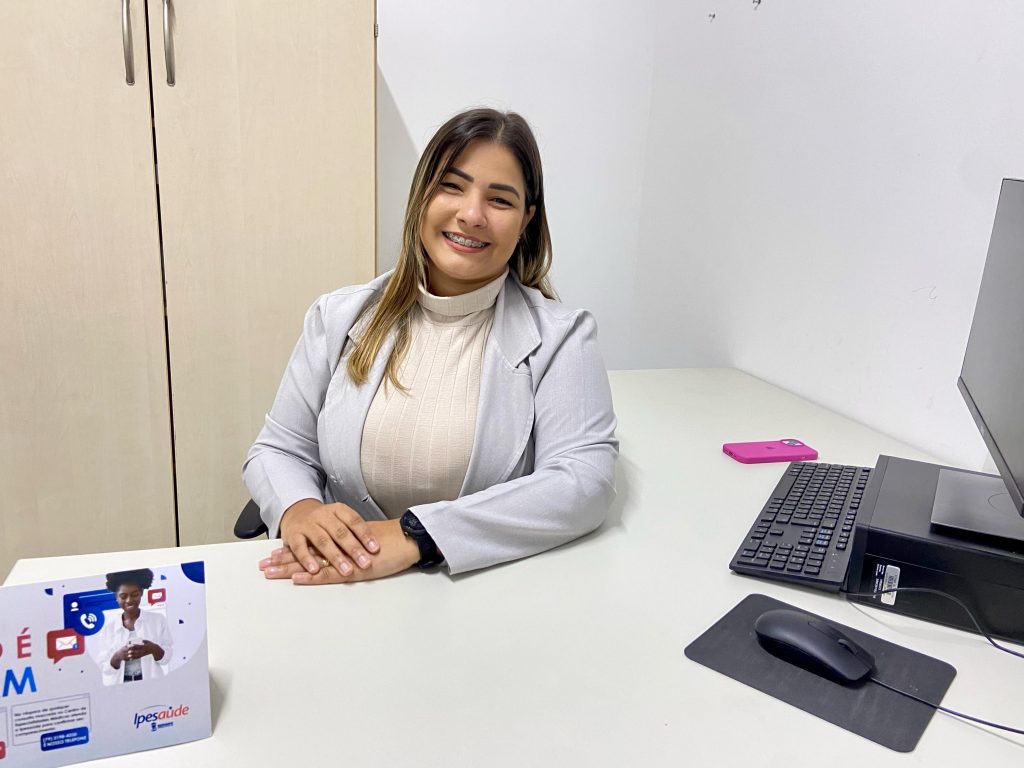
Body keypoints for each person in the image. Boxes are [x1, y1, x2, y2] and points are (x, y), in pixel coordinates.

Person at [245, 107, 618, 584]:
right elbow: (280, 448)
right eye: (451, 186)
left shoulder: (563, 336)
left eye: (500, 200)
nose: (471, 214)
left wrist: (414, 537)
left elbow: (585, 480)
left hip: (480, 588)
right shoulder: (337, 317)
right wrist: (298, 508)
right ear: (421, 195)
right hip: (339, 583)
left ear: (526, 219)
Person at [96, 568, 172, 685]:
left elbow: (166, 658)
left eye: (135, 594)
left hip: (152, 685)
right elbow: (104, 667)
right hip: (120, 687)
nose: (129, 600)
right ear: (116, 597)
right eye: (123, 596)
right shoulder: (108, 629)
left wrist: (153, 648)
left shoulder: (158, 620)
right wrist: (118, 656)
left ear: (141, 593)